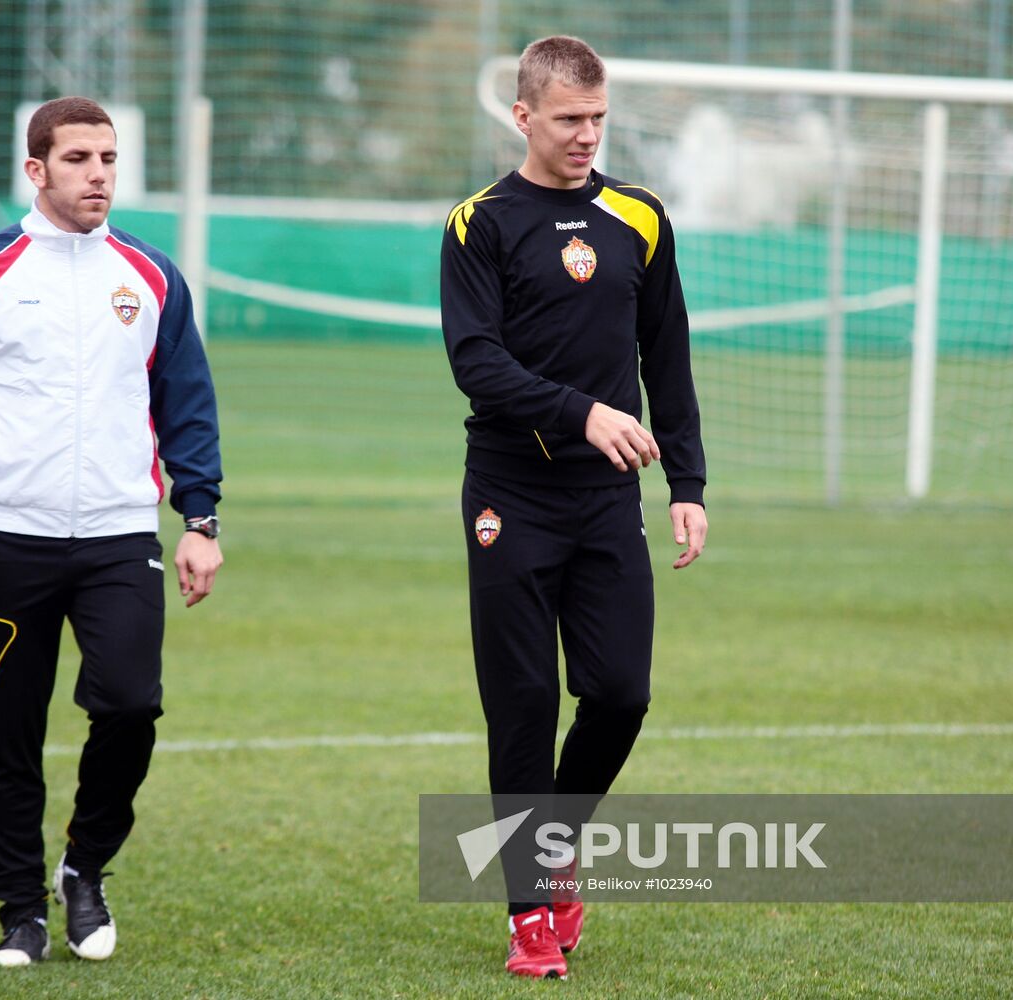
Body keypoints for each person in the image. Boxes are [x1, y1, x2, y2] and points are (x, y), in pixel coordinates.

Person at [0, 96, 223, 967]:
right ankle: (20, 911)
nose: (98, 175)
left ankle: (83, 869)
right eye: (79, 158)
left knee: (130, 704)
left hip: (121, 536)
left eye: (109, 159)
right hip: (2, 536)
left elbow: (187, 401)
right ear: (36, 169)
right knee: (9, 732)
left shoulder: (151, 275)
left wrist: (200, 518)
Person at [440, 36, 707, 978]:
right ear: (523, 117)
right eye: (568, 119)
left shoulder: (640, 216)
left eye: (597, 117)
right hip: (509, 496)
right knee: (522, 706)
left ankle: (553, 851)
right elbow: (476, 362)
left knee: (622, 694)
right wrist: (582, 412)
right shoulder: (479, 224)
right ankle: (528, 917)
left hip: (606, 500)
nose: (587, 134)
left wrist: (687, 485)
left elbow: (667, 354)